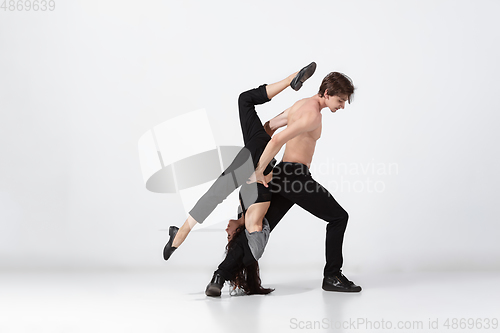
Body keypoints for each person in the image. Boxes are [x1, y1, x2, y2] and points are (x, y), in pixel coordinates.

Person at [205, 71, 362, 295]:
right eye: (340, 100)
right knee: (339, 217)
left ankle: (220, 276)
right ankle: (332, 276)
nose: (342, 106)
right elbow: (278, 138)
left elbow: (270, 126)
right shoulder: (313, 115)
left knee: (259, 229)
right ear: (327, 93)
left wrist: (255, 153)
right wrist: (259, 170)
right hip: (295, 178)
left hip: (281, 176)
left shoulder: (300, 105)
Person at [162, 63, 318, 267]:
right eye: (229, 235)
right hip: (259, 152)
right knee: (216, 192)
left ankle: (180, 235)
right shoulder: (250, 212)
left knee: (244, 100)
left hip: (256, 148)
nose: (226, 230)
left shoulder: (245, 209)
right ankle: (179, 235)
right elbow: (255, 229)